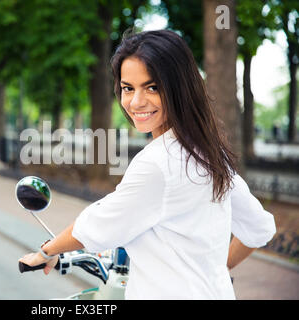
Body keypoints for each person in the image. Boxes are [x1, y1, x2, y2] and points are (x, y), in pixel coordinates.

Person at [18, 29, 276, 299]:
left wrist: (46, 252)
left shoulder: (158, 162)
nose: (136, 102)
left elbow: (96, 226)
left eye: (152, 87)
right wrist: (218, 271)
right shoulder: (209, 153)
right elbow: (260, 229)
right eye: (128, 88)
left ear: (179, 88)